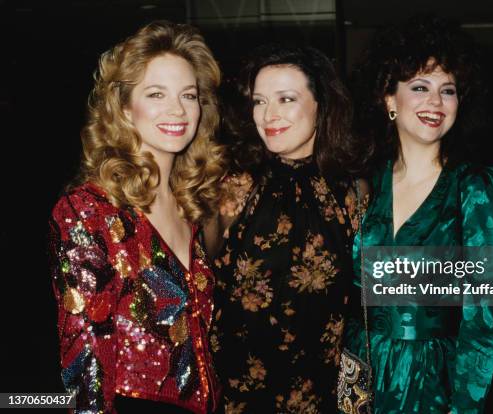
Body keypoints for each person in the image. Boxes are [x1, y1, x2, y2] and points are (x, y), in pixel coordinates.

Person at [49, 21, 225, 413]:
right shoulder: (89, 210)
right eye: (156, 93)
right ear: (125, 107)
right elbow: (84, 365)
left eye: (189, 95)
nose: (177, 109)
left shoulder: (191, 203)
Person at [344, 16, 493, 414]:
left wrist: (465, 407)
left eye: (447, 90)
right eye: (420, 87)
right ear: (389, 99)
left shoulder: (476, 186)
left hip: (434, 380)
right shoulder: (362, 183)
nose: (435, 102)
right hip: (358, 374)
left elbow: (486, 315)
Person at [208, 44, 365, 413]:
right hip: (236, 395)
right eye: (260, 101)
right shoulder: (234, 185)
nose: (269, 114)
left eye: (285, 98)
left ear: (321, 104)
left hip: (320, 395)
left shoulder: (353, 192)